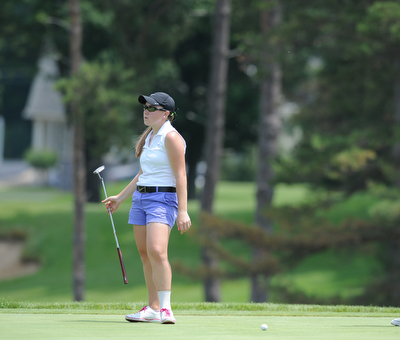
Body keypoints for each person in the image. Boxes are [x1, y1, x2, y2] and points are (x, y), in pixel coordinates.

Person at [102, 92, 191, 324]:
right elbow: (144, 174)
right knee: (145, 254)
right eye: (145, 107)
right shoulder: (150, 137)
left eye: (152, 108)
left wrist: (183, 210)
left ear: (166, 114)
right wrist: (121, 197)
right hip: (141, 200)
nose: (146, 111)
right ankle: (152, 308)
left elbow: (181, 175)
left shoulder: (170, 137)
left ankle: (165, 309)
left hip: (163, 199)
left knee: (157, 251)